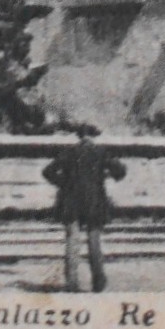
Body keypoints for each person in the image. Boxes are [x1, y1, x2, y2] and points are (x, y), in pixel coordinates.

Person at [42, 123, 127, 292]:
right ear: (93, 136)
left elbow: (48, 171)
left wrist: (63, 183)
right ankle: (98, 281)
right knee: (94, 241)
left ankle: (72, 282)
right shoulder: (101, 152)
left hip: (71, 202)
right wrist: (106, 175)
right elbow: (121, 170)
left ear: (79, 136)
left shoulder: (69, 152)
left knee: (72, 242)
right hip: (94, 202)